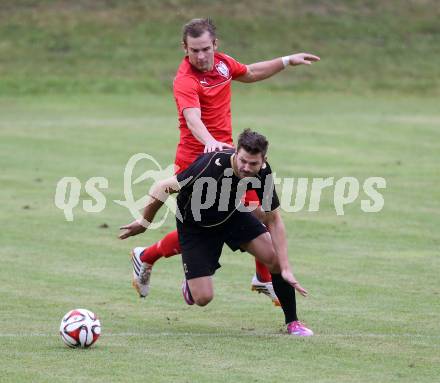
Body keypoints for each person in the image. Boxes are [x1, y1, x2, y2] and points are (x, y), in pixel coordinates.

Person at [134, 18, 320, 304]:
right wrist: (209, 141)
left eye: (205, 49)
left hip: (231, 160)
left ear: (215, 45)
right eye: (194, 50)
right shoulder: (185, 79)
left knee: (255, 212)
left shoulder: (222, 65)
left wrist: (286, 60)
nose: (200, 56)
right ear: (184, 48)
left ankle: (261, 277)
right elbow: (192, 118)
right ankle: (148, 255)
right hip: (197, 164)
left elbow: (251, 72)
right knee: (216, 222)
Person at [120, 129, 313, 336]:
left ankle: (293, 323)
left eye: (253, 164)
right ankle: (190, 279)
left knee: (273, 259)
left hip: (231, 215)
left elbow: (273, 219)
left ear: (263, 160)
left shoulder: (263, 172)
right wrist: (144, 221)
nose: (246, 168)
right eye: (243, 161)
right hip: (195, 226)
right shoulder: (210, 165)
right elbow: (162, 187)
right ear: (235, 152)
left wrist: (286, 268)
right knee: (202, 298)